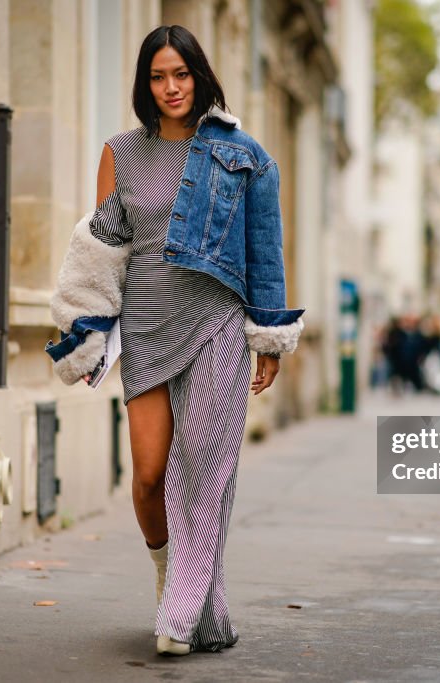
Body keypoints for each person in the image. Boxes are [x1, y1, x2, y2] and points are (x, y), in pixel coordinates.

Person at [45, 25, 304, 656]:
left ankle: (184, 602)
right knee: (149, 472)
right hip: (146, 327)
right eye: (159, 76)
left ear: (199, 76)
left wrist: (267, 337)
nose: (171, 88)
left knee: (202, 469)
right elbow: (102, 252)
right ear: (145, 83)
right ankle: (177, 580)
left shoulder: (241, 153)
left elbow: (264, 249)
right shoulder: (120, 153)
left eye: (181, 75)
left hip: (215, 321)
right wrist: (87, 333)